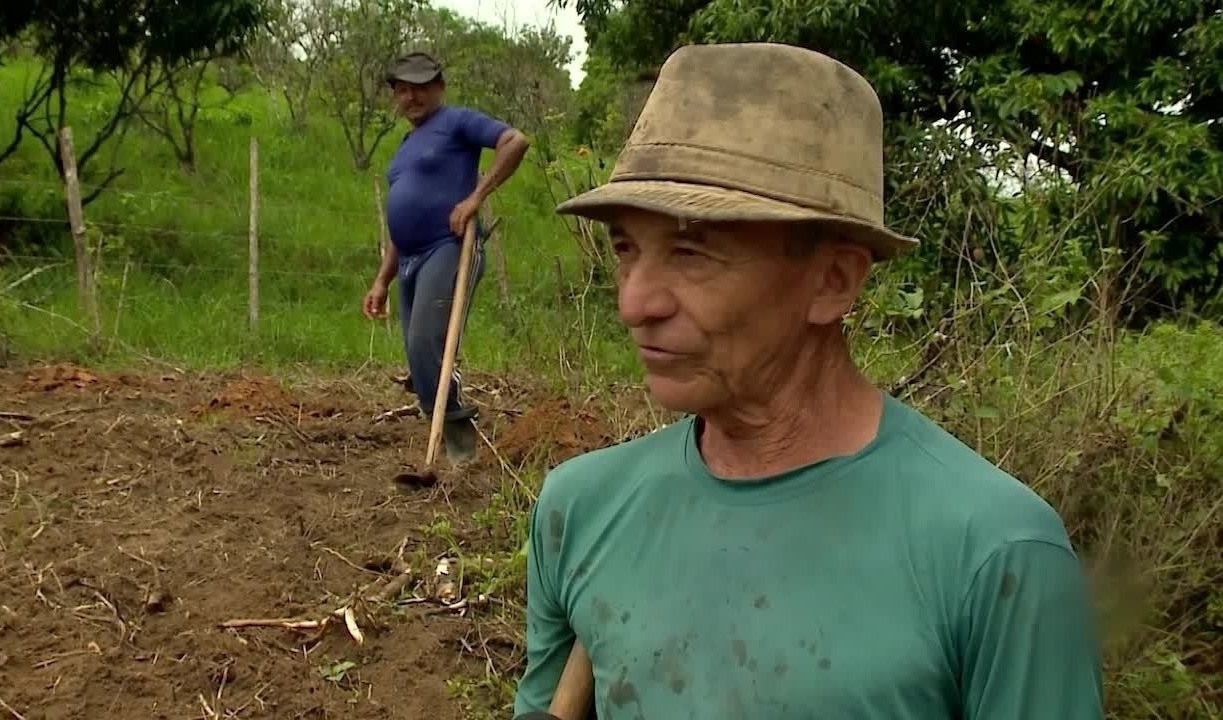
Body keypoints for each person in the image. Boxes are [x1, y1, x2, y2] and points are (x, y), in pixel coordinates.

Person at [513, 42, 1104, 719]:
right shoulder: (580, 510)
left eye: (691, 252)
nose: (633, 303)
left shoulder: (996, 554)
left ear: (833, 282)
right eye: (626, 248)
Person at [363, 52, 528, 463]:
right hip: (408, 259)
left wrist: (475, 198)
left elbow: (515, 141)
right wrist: (382, 280)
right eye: (403, 90)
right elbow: (402, 225)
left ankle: (460, 443)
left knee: (426, 343)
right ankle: (451, 432)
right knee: (417, 355)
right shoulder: (405, 147)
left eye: (421, 87)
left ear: (439, 87)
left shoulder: (457, 122)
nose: (412, 97)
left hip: (448, 247)